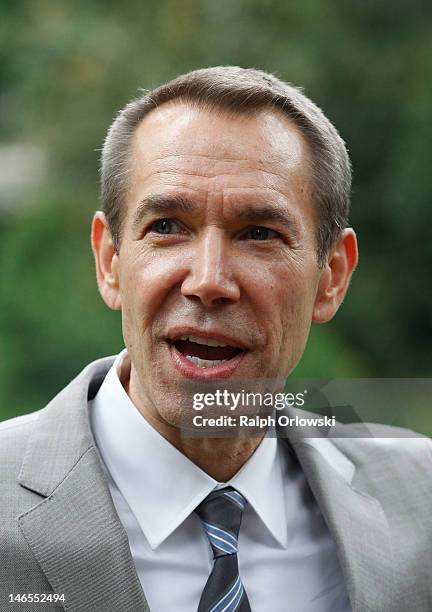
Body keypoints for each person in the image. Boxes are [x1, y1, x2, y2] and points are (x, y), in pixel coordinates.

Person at [1, 67, 431, 612]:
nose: (208, 280)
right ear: (110, 261)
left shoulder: (421, 502)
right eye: (166, 226)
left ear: (331, 278)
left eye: (259, 234)